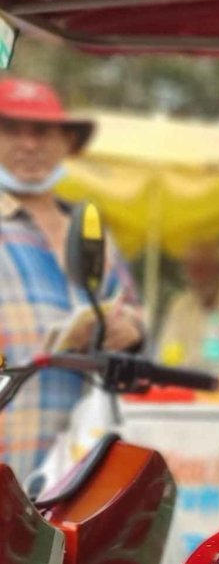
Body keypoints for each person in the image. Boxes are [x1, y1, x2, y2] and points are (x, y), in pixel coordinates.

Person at [0, 76, 143, 482]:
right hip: (9, 452)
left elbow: (132, 316)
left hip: (82, 462)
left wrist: (128, 329)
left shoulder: (91, 231)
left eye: (43, 131)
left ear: (66, 142)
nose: (29, 144)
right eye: (10, 129)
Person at [155, 238, 219, 369]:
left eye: (203, 267)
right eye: (191, 268)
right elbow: (166, 354)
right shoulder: (180, 305)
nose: (197, 275)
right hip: (189, 382)